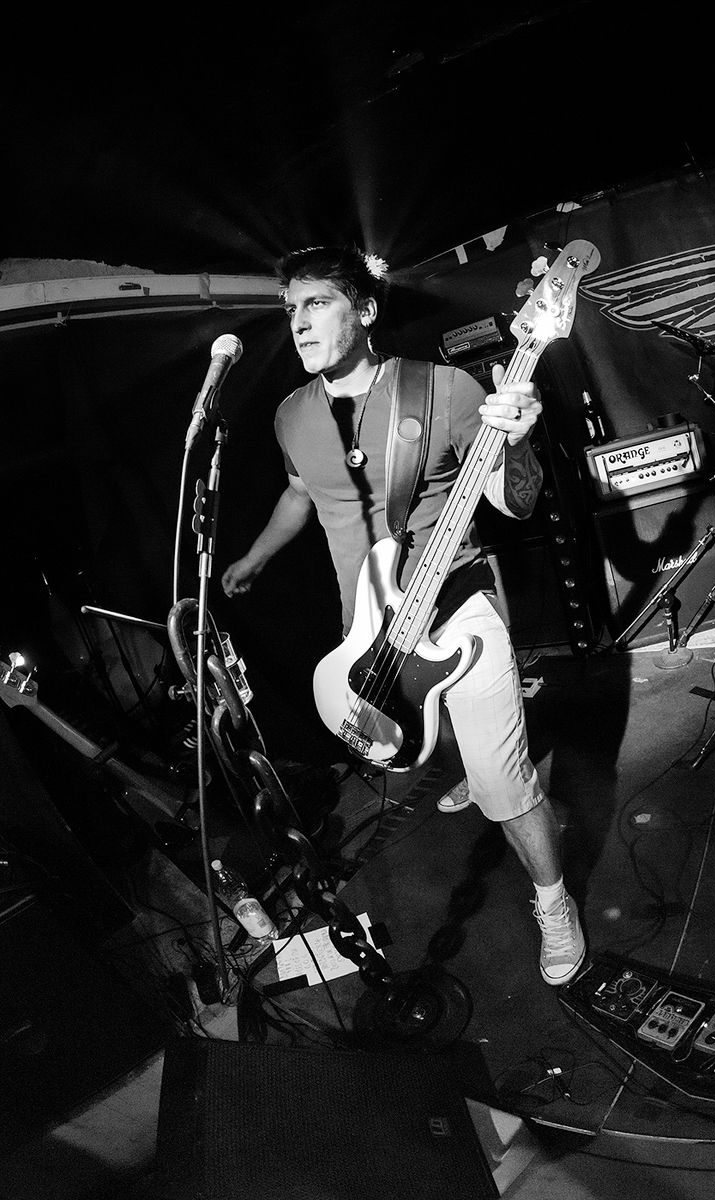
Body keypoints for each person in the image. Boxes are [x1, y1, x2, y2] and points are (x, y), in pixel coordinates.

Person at [222, 245, 585, 985]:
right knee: (422, 733)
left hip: (455, 608)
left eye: (317, 303)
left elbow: (515, 501)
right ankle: (461, 762)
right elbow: (301, 492)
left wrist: (518, 442)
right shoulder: (291, 414)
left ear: (364, 310)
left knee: (502, 783)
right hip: (367, 627)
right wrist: (255, 557)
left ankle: (554, 901)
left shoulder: (443, 388)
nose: (298, 322)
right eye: (290, 309)